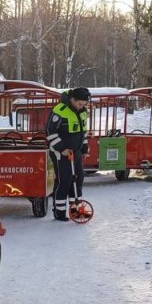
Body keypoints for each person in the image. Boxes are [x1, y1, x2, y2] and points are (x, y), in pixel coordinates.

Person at [46, 87, 90, 221]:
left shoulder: (82, 111)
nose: (81, 107)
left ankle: (75, 209)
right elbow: (50, 132)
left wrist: (84, 146)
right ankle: (59, 212)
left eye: (84, 104)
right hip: (61, 153)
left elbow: (83, 131)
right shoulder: (60, 110)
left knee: (78, 178)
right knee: (65, 180)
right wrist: (62, 149)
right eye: (79, 104)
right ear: (72, 99)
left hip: (75, 152)